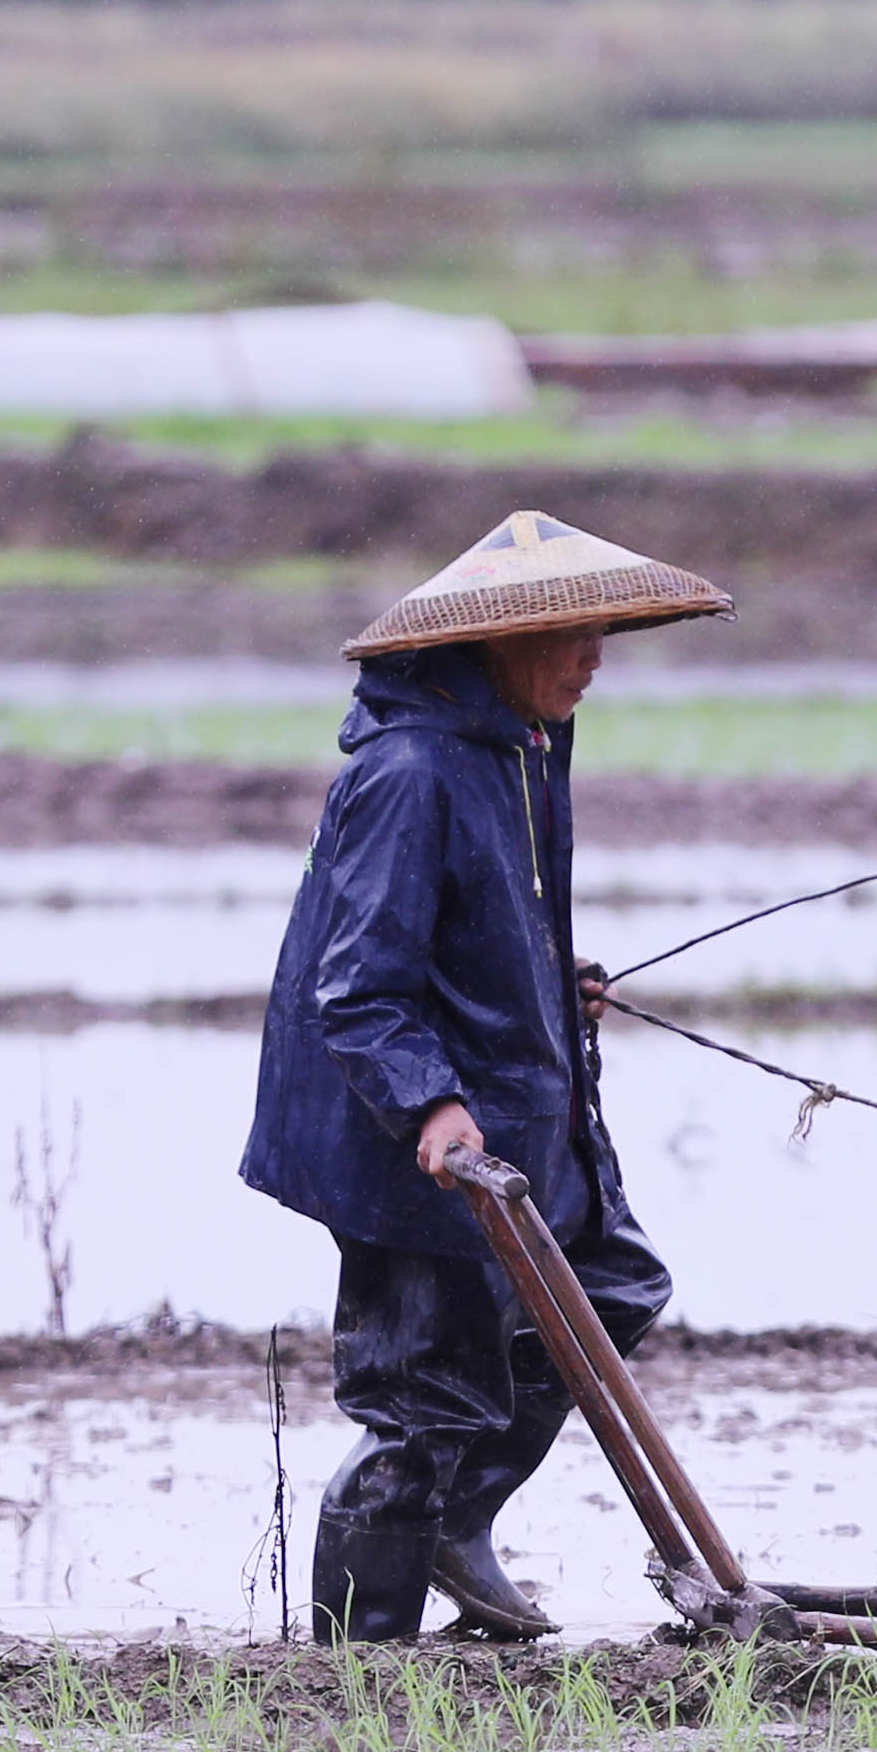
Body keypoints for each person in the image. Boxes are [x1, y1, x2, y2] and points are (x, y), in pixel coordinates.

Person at [240, 509, 736, 1643]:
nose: (592, 657)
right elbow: (358, 985)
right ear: (492, 641)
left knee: (607, 1291)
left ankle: (453, 1524)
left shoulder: (516, 747)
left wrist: (549, 978)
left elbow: (464, 920)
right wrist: (431, 1103)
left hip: (506, 1098)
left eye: (604, 631)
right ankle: (355, 1672)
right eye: (568, 634)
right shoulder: (412, 770)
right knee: (420, 1400)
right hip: (404, 1124)